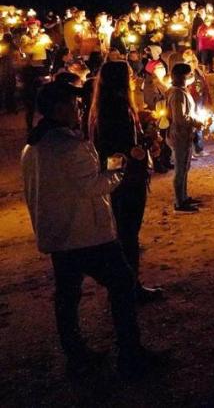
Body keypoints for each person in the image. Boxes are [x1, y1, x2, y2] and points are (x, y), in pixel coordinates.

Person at [22, 82, 154, 376]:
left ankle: (76, 354)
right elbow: (93, 185)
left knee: (67, 296)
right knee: (122, 284)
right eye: (74, 104)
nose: (79, 109)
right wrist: (118, 172)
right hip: (87, 233)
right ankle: (130, 354)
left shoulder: (33, 147)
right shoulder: (71, 146)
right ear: (59, 109)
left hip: (57, 234)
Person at [88, 61, 163, 303]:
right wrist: (143, 145)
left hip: (120, 179)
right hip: (127, 180)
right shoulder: (118, 109)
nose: (134, 79)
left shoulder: (104, 107)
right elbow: (118, 150)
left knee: (125, 232)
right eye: (130, 75)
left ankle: (125, 285)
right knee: (128, 233)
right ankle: (129, 287)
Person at [165, 63, 206, 212]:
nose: (192, 77)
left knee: (185, 167)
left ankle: (184, 196)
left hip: (185, 134)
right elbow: (180, 118)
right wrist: (197, 121)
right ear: (183, 76)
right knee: (180, 168)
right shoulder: (178, 94)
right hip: (179, 135)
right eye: (190, 75)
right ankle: (179, 201)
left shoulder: (180, 91)